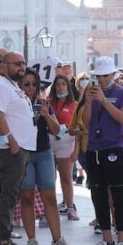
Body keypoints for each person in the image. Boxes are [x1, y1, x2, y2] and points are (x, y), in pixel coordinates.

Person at [16, 70, 75, 245]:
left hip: (43, 153)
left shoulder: (44, 104)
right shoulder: (16, 105)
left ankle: (57, 241)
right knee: (27, 197)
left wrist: (45, 115)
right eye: (27, 84)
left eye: (34, 84)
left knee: (49, 196)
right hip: (24, 154)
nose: (31, 88)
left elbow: (57, 129)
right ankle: (32, 241)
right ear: (20, 86)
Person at [0, 51, 35, 245]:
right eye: (17, 64)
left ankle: (5, 239)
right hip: (11, 151)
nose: (22, 67)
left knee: (11, 195)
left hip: (21, 149)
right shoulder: (0, 86)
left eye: (23, 63)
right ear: (4, 65)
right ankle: (4, 242)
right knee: (8, 195)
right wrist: (12, 141)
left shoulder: (12, 86)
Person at [83, 56, 123, 245]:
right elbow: (86, 122)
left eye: (105, 76)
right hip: (94, 149)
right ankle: (107, 241)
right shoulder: (91, 93)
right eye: (98, 76)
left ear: (113, 74)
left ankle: (121, 241)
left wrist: (104, 101)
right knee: (98, 195)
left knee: (119, 194)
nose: (102, 80)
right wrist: (88, 102)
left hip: (114, 147)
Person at [48, 74, 79, 221]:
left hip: (66, 141)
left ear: (68, 86)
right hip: (49, 140)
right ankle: (50, 207)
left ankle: (70, 208)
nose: (60, 87)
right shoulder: (48, 103)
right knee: (48, 178)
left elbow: (79, 129)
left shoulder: (75, 105)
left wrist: (76, 150)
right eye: (58, 84)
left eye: (63, 84)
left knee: (66, 177)